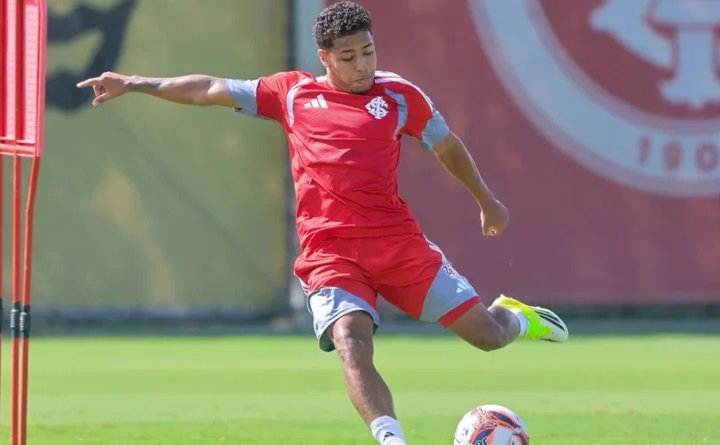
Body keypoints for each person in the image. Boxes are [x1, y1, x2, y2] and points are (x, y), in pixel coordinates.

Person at [77, 2, 569, 444]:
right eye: (349, 57)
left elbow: (447, 146)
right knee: (350, 340)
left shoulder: (400, 96)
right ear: (325, 58)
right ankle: (391, 439)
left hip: (398, 245)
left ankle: (516, 316)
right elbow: (209, 88)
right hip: (330, 254)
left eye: (368, 52)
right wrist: (135, 83)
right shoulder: (291, 93)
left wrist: (487, 201)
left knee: (487, 336)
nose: (363, 65)